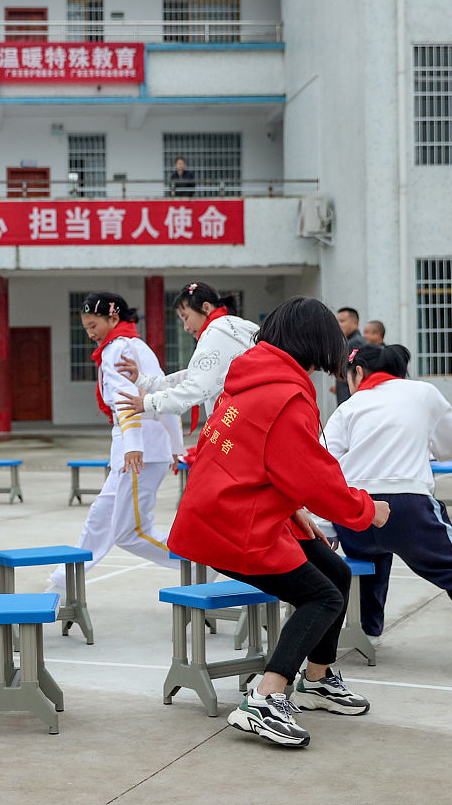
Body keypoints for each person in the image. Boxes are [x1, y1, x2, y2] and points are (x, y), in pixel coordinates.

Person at [168, 296, 391, 748]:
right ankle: (265, 698)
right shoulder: (285, 395)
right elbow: (317, 477)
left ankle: (318, 679)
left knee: (336, 572)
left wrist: (292, 510)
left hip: (222, 511)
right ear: (316, 342)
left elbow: (253, 460)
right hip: (234, 524)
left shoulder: (250, 382)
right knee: (322, 598)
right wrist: (368, 510)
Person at [324, 343, 452, 673]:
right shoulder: (423, 393)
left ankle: (368, 630)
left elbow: (325, 463)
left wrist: (327, 525)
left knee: (370, 561)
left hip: (355, 509)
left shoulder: (349, 408)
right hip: (408, 505)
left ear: (359, 372)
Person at [50, 292, 183, 590]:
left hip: (137, 451)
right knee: (101, 516)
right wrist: (175, 446)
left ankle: (198, 564)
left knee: (131, 532)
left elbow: (127, 401)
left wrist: (134, 445)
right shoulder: (137, 346)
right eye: (85, 327)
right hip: (140, 448)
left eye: (93, 324)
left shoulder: (115, 351)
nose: (90, 332)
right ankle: (64, 581)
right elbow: (164, 399)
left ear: (114, 318)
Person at [116, 281, 259, 430]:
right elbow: (197, 376)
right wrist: (143, 381)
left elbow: (197, 386)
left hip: (241, 422)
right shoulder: (239, 325)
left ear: (206, 308)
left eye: (186, 317)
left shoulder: (215, 332)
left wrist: (149, 402)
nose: (186, 327)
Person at [333, 307, 365, 406]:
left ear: (355, 323)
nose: (338, 325)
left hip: (350, 399)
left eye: (342, 321)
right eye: (336, 321)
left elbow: (350, 373)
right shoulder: (350, 342)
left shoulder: (355, 343)